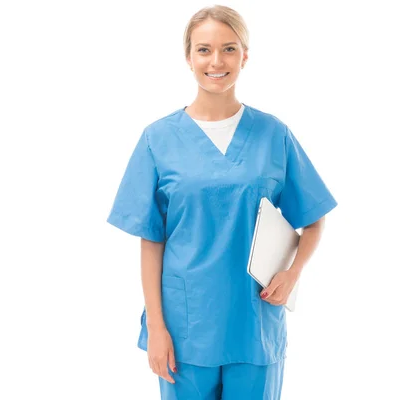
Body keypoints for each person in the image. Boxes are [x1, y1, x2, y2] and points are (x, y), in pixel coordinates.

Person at [106, 5, 337, 400]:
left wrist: (293, 273)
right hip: (185, 328)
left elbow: (314, 219)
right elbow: (151, 240)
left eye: (229, 49)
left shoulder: (273, 134)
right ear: (189, 57)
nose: (216, 61)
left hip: (254, 325)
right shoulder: (157, 139)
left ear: (245, 56)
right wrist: (157, 328)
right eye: (204, 50)